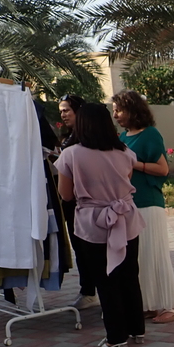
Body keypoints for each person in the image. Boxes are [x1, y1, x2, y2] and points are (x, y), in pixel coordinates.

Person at [55, 104, 145, 347]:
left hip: (93, 222)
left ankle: (116, 337)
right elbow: (126, 181)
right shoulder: (125, 152)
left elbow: (65, 195)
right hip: (126, 218)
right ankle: (137, 329)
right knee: (129, 275)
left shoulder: (71, 154)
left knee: (106, 280)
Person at [111, 89, 174, 324]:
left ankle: (173, 305)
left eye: (119, 110)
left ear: (132, 110)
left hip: (149, 203)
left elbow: (162, 169)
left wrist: (135, 164)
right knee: (141, 257)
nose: (115, 115)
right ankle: (150, 304)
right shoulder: (123, 137)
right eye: (114, 110)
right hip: (130, 204)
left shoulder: (150, 134)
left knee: (155, 254)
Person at [56, 94, 98, 309]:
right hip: (72, 204)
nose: (63, 115)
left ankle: (93, 291)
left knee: (91, 249)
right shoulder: (69, 138)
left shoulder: (87, 140)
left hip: (86, 202)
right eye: (61, 111)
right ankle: (88, 289)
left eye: (67, 110)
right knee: (80, 249)